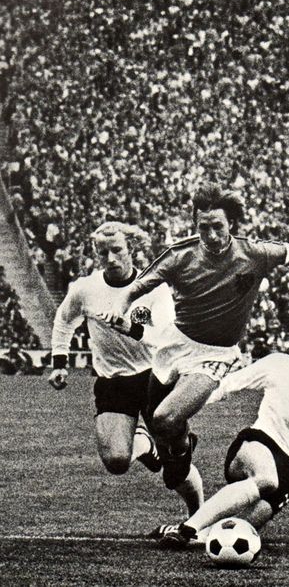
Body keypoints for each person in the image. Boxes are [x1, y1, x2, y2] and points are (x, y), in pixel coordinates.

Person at [98, 183, 289, 496]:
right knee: (161, 426)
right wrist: (120, 311)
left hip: (215, 354)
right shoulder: (179, 256)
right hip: (174, 344)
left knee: (165, 416)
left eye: (218, 227)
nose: (211, 235)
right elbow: (134, 289)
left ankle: (181, 445)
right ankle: (184, 443)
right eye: (204, 227)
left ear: (232, 226)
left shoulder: (256, 253)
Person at [155, 310, 289, 548]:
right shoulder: (280, 363)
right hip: (257, 443)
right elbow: (227, 385)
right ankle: (186, 529)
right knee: (266, 479)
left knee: (229, 533)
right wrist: (181, 409)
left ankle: (186, 531)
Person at [48, 221, 203, 516]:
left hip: (154, 377)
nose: (110, 258)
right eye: (103, 252)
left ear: (131, 249)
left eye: (117, 250)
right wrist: (59, 362)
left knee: (175, 473)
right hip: (113, 380)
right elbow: (64, 319)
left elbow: (168, 336)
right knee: (117, 461)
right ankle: (145, 444)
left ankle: (197, 520)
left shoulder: (153, 289)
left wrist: (130, 328)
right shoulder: (85, 289)